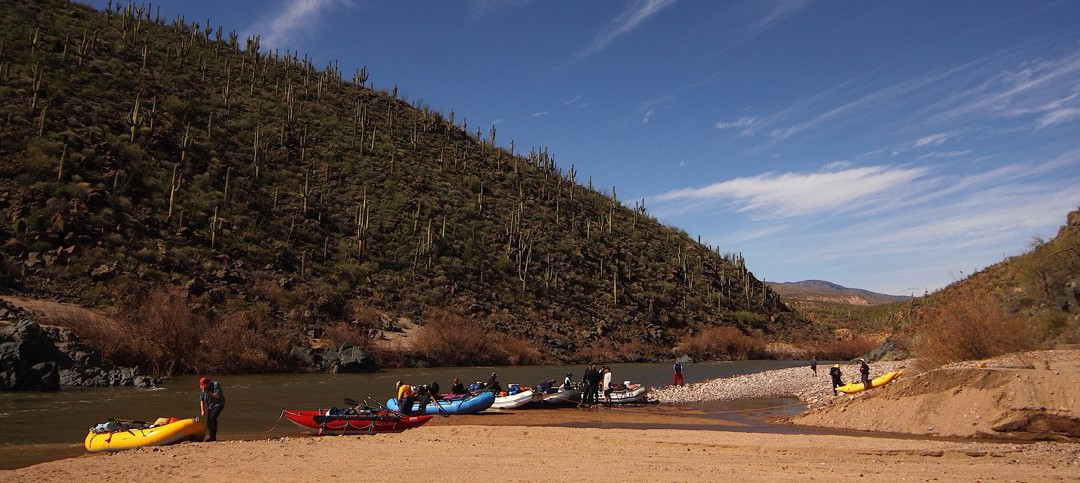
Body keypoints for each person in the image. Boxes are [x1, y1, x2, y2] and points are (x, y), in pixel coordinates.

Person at [198, 377, 225, 442]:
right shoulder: (203, 388)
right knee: (209, 422)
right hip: (210, 406)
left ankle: (213, 438)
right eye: (202, 385)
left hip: (218, 404)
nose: (203, 387)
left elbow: (217, 395)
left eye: (205, 385)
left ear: (208, 382)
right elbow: (202, 399)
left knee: (213, 418)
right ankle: (211, 437)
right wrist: (202, 410)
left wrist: (208, 392)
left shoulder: (216, 384)